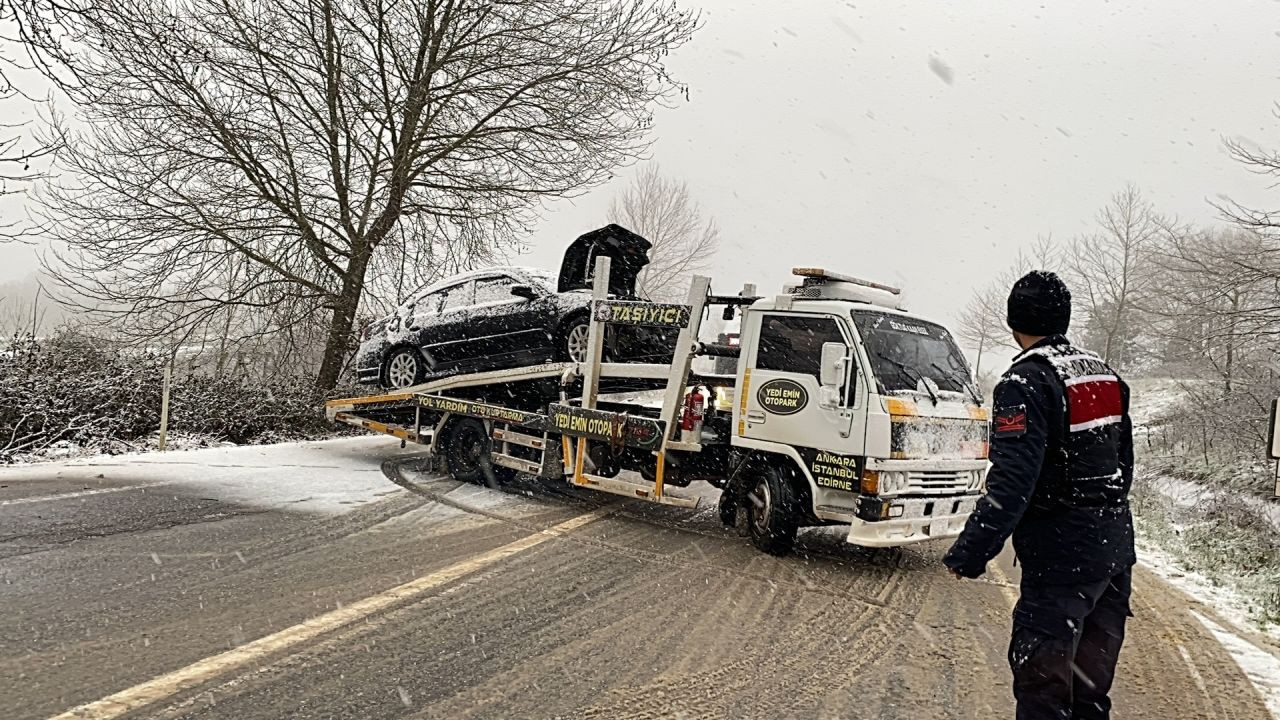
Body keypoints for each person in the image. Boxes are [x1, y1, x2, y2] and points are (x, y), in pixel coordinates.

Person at [944, 271, 1135, 720]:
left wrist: (970, 553)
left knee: (1043, 691)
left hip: (1060, 563)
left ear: (1015, 323)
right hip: (1112, 557)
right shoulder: (1104, 375)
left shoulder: (1024, 383)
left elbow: (1013, 481)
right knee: (1089, 692)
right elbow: (1123, 468)